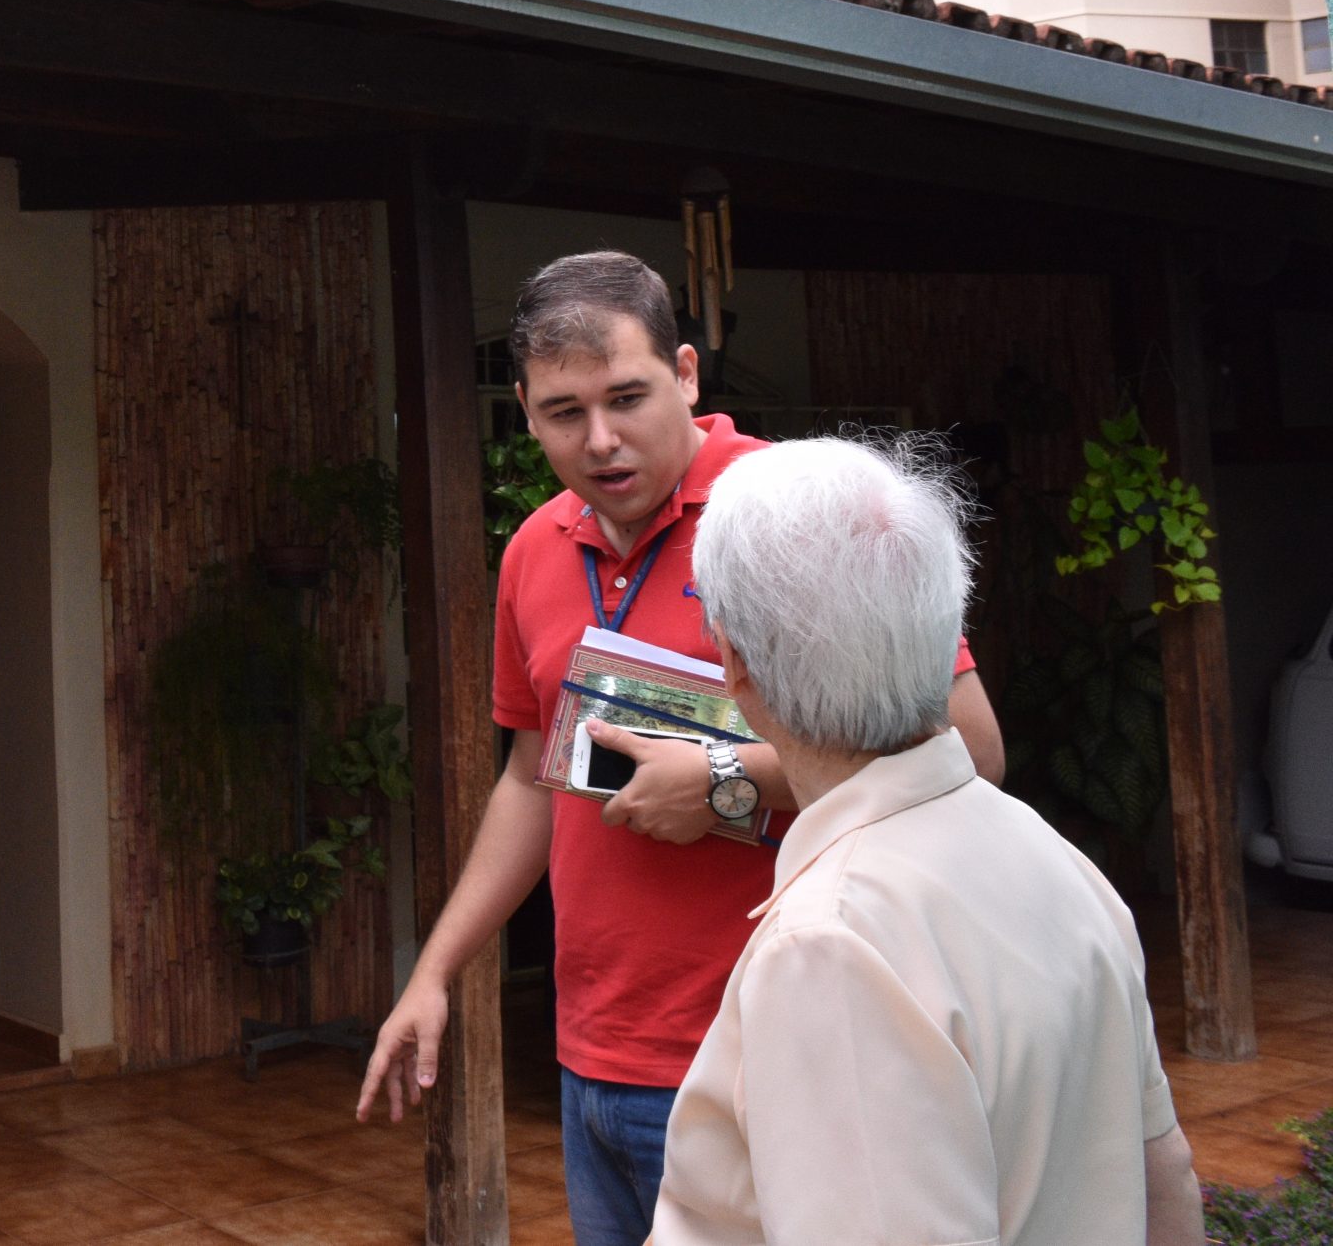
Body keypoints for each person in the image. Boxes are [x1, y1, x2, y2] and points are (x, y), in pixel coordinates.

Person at [355, 251, 1006, 1246]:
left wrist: (723, 780)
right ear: (523, 409)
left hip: (779, 1047)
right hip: (595, 1058)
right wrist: (435, 972)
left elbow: (968, 750)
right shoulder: (532, 550)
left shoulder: (803, 512)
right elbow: (531, 778)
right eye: (563, 412)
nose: (600, 441)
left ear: (688, 374)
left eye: (628, 398)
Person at [650, 435, 1201, 1245]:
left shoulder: (832, 943)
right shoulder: (1051, 855)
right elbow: (1165, 1181)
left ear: (736, 665)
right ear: (944, 634)